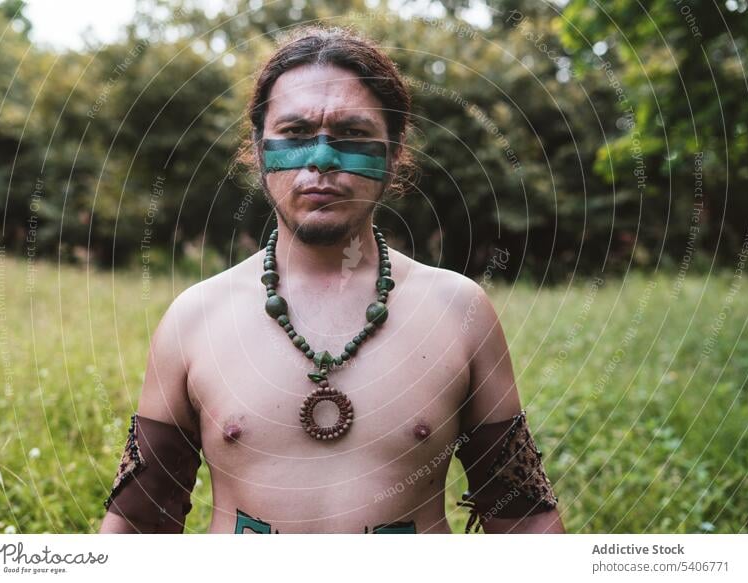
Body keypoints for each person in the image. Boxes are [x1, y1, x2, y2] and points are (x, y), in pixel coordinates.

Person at [98, 25, 564, 534]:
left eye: (353, 135)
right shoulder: (193, 320)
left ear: (392, 152)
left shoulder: (460, 311)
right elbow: (138, 524)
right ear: (258, 148)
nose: (321, 160)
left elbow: (523, 521)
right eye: (296, 134)